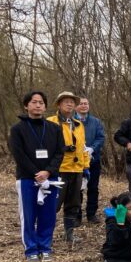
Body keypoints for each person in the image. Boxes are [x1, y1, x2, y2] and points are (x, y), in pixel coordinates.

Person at [9, 91, 65, 262]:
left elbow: (59, 152)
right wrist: (36, 173)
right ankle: (31, 249)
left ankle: (45, 246)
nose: (38, 105)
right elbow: (18, 154)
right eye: (34, 102)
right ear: (26, 105)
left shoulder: (54, 128)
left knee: (48, 214)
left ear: (45, 106)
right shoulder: (18, 129)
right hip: (27, 178)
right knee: (29, 213)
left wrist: (48, 172)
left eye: (41, 102)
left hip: (51, 178)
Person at [47, 91, 90, 244]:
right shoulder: (50, 122)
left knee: (73, 204)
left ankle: (69, 233)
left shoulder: (79, 125)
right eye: (66, 101)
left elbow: (83, 147)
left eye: (72, 102)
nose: (70, 104)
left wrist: (86, 167)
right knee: (53, 203)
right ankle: (46, 234)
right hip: (59, 170)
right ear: (59, 104)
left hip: (76, 170)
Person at [75, 97, 105, 224]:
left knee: (93, 188)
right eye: (81, 104)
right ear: (76, 107)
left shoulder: (96, 122)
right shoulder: (71, 121)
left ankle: (91, 214)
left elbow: (101, 137)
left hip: (93, 160)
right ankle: (76, 216)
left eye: (86, 103)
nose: (83, 106)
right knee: (77, 189)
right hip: (76, 161)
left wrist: (92, 149)